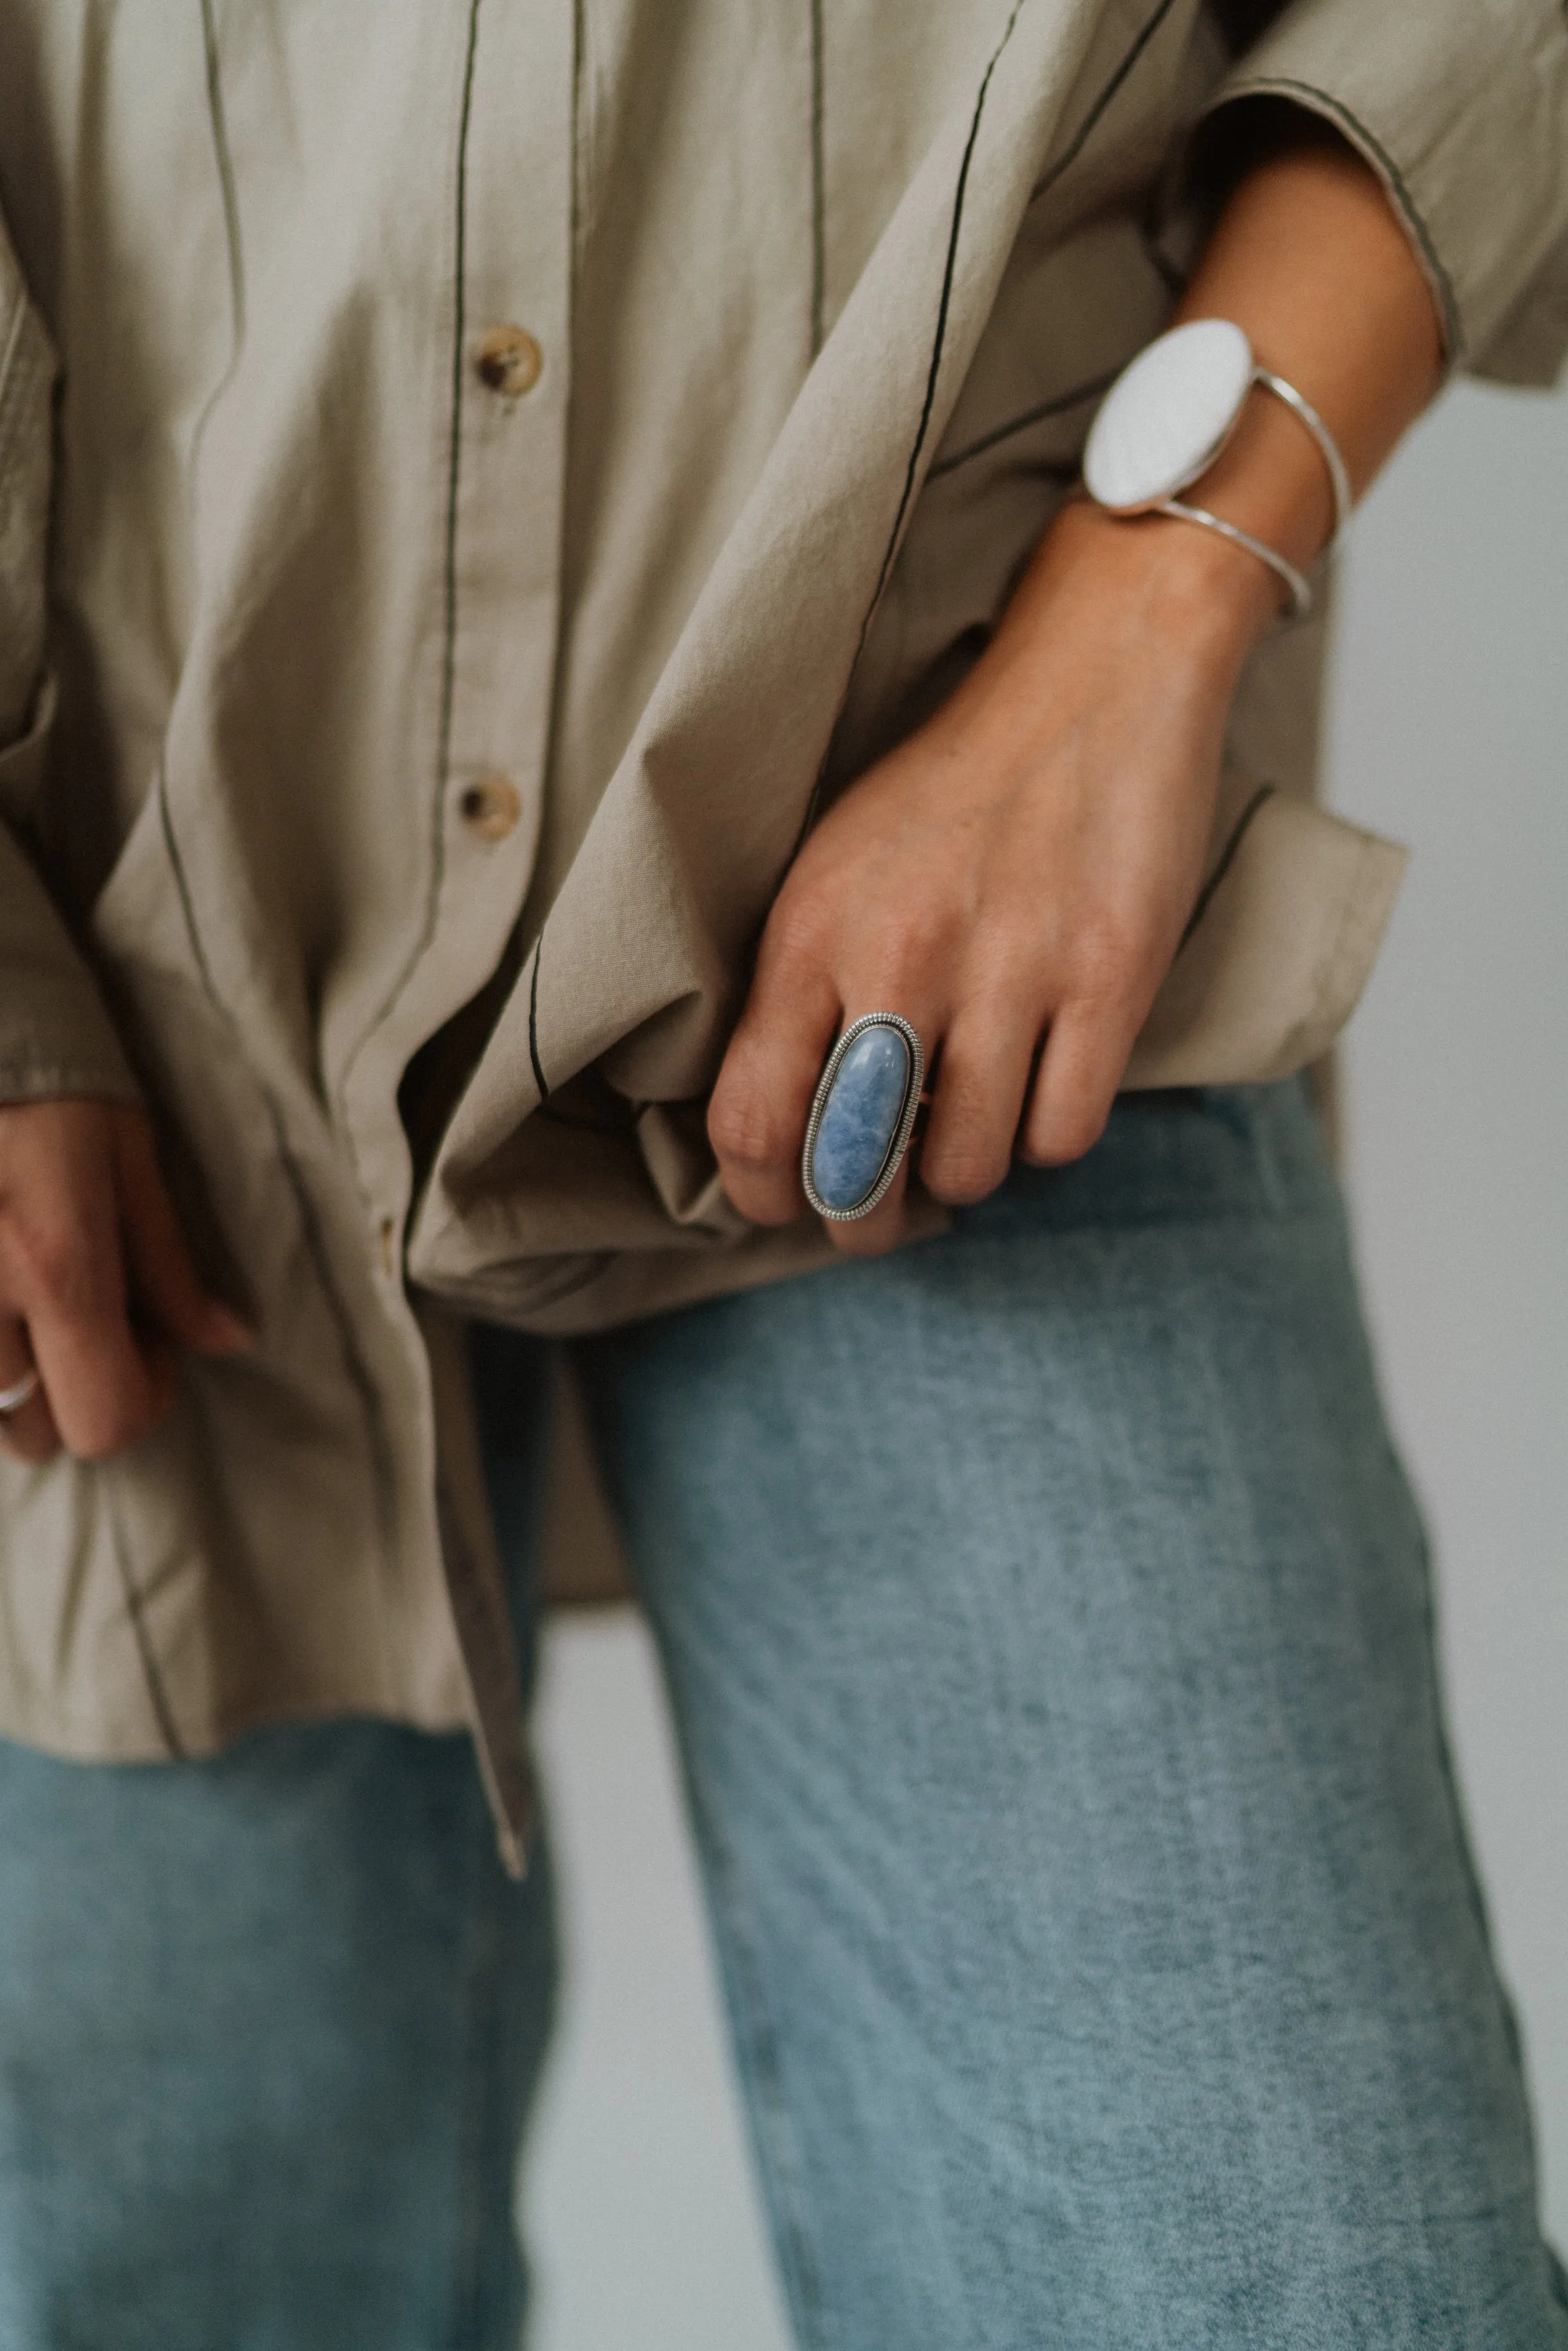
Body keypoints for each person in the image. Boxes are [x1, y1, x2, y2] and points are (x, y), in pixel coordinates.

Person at [0, 3, 1564, 2343]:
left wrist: (1157, 596)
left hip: (983, 942)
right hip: (127, 952)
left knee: (1295, 2281)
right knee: (189, 2264)